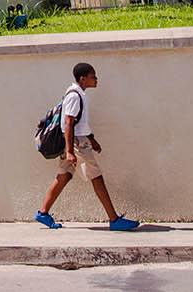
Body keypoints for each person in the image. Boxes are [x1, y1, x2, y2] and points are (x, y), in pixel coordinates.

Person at [35, 62, 140, 231]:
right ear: (83, 79)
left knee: (64, 176)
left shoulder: (77, 95)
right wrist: (70, 151)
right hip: (76, 143)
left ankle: (43, 213)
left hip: (76, 141)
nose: (96, 79)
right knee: (96, 177)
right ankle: (114, 220)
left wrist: (92, 139)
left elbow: (78, 123)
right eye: (93, 76)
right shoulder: (75, 96)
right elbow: (68, 123)